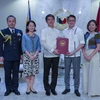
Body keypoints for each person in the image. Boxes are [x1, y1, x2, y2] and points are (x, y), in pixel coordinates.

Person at [62, 15, 85, 97]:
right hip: (66, 55)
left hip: (76, 55)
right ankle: (67, 87)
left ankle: (76, 89)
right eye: (70, 20)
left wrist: (73, 51)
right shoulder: (64, 31)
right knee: (66, 72)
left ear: (75, 21)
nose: (71, 22)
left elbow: (82, 43)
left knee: (76, 73)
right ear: (67, 21)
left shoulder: (79, 31)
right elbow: (63, 43)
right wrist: (64, 51)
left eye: (73, 20)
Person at [0, 15, 23, 96]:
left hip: (16, 56)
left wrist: (21, 54)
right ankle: (8, 89)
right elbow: (0, 45)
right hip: (7, 57)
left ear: (15, 22)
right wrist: (1, 56)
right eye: (10, 21)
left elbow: (21, 45)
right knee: (7, 74)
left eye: (13, 21)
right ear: (7, 22)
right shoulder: (3, 32)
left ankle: (15, 88)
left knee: (16, 74)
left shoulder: (19, 32)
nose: (11, 23)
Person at [41, 14, 61, 96]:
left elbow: (60, 43)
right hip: (47, 55)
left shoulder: (58, 31)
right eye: (49, 19)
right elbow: (43, 43)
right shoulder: (44, 31)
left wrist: (58, 50)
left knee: (55, 73)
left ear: (54, 20)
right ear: (46, 21)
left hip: (56, 56)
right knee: (46, 73)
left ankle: (53, 88)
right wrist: (53, 50)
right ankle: (47, 89)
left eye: (52, 19)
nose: (51, 21)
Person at [22, 21, 41, 95]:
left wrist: (35, 54)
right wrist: (29, 55)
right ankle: (28, 87)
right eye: (30, 25)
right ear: (27, 27)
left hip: (35, 56)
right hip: (27, 56)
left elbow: (39, 46)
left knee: (33, 73)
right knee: (27, 73)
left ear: (35, 27)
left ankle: (32, 87)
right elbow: (23, 46)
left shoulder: (37, 36)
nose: (31, 27)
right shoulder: (24, 36)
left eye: (33, 26)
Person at [82, 20, 100, 96]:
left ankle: (93, 91)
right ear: (88, 26)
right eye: (90, 25)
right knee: (86, 73)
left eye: (93, 25)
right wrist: (85, 55)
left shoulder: (97, 35)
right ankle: (86, 90)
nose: (91, 26)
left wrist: (90, 56)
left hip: (94, 55)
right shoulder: (85, 35)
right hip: (85, 55)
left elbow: (98, 47)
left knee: (93, 73)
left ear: (96, 26)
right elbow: (82, 46)